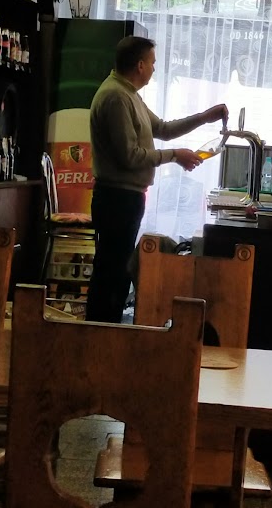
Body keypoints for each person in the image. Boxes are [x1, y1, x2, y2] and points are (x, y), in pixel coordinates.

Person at [86, 35, 228, 323]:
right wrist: (174, 155)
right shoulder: (116, 97)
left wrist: (204, 117)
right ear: (139, 65)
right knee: (111, 273)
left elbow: (162, 129)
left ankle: (105, 331)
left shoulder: (128, 94)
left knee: (116, 271)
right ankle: (99, 333)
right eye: (152, 62)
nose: (154, 68)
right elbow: (130, 156)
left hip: (126, 197)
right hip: (116, 199)